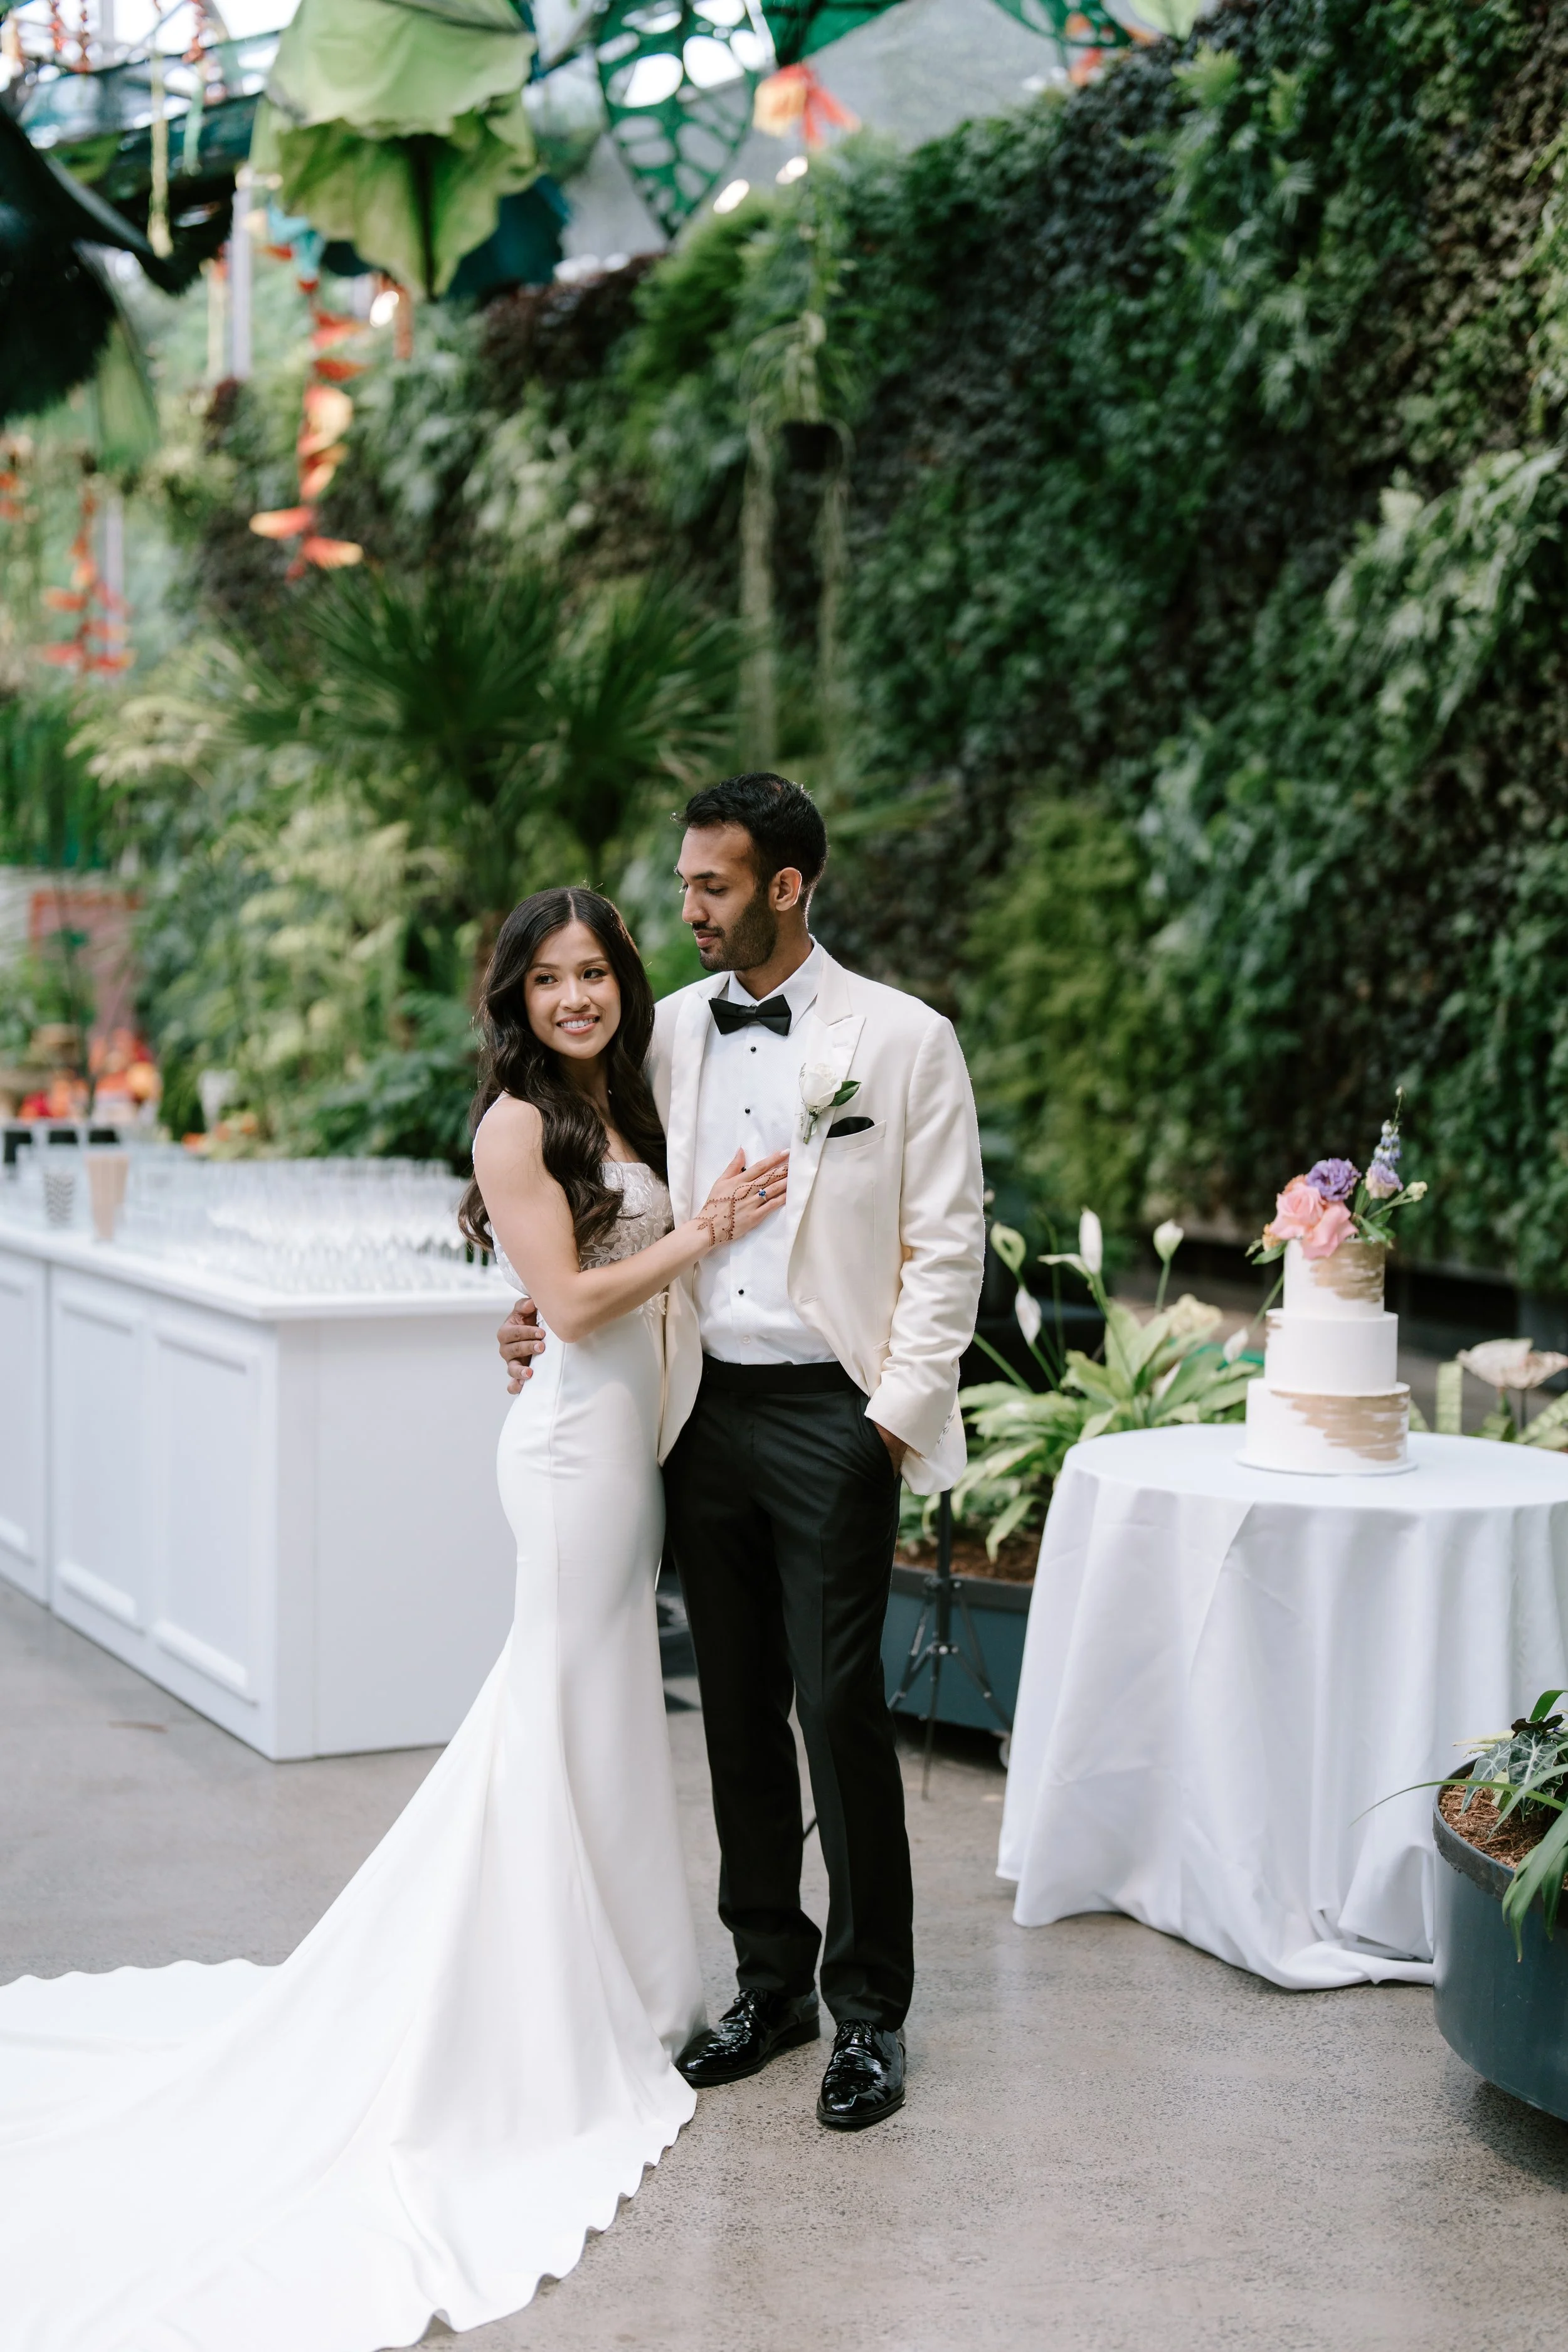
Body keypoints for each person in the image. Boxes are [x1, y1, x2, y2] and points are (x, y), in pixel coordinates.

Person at [0, 887, 787, 2351]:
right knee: (549, 1712)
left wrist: (671, 1246)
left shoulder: (624, 1101)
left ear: (623, 983)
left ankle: (620, 1978)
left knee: (599, 1707)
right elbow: (564, 1306)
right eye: (548, 980)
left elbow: (581, 1289)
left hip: (626, 1452)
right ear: (515, 996)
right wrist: (708, 1232)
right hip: (565, 1456)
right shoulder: (512, 1122)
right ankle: (535, 2011)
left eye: (594, 974)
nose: (575, 998)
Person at [499, 773, 986, 2132]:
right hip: (694, 1409)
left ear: (786, 886)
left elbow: (947, 1243)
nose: (687, 909)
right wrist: (540, 1311)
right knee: (730, 1707)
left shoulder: (901, 1039)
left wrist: (893, 1413)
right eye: (684, 884)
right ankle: (767, 1983)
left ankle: (868, 2014)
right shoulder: (662, 1035)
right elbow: (604, 1197)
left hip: (834, 1411)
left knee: (837, 1709)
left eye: (709, 885)